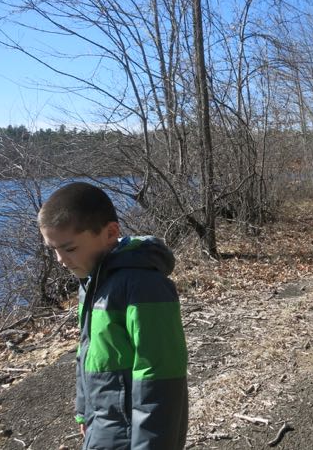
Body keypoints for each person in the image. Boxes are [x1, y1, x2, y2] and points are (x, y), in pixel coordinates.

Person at [38, 182, 188, 449]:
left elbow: (161, 380)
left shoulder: (143, 286)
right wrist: (84, 410)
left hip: (134, 436)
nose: (61, 259)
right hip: (103, 425)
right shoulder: (93, 281)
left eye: (69, 248)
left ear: (110, 233)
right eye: (54, 249)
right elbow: (88, 352)